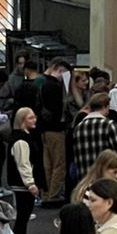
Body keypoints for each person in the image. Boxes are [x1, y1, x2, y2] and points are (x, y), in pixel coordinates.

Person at [6, 107, 44, 234]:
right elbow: (23, 164)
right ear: (22, 120)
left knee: (23, 218)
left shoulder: (24, 137)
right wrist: (30, 183)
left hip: (21, 184)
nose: (35, 120)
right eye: (30, 118)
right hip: (22, 185)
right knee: (22, 218)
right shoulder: (21, 141)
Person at [72, 92, 117, 181]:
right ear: (105, 107)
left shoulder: (78, 127)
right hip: (104, 179)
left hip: (84, 179)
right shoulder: (109, 125)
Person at [40, 59, 69, 205]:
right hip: (56, 129)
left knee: (48, 164)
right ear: (59, 70)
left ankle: (46, 193)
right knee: (59, 163)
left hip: (45, 129)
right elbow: (59, 110)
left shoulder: (43, 84)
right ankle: (54, 194)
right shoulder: (55, 87)